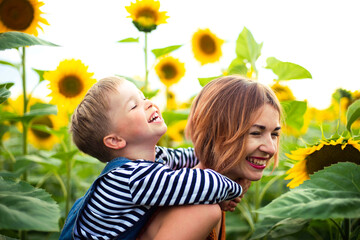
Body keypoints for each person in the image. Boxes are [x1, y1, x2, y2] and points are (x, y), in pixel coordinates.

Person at [59, 76, 245, 240]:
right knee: (206, 208)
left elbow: (195, 157)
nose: (148, 103)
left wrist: (232, 152)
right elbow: (198, 182)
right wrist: (234, 189)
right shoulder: (130, 178)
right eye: (134, 106)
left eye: (144, 98)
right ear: (115, 140)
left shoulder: (156, 157)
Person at [138, 75, 282, 240]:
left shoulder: (212, 198)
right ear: (216, 133)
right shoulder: (201, 211)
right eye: (256, 133)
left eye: (274, 134)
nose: (271, 148)